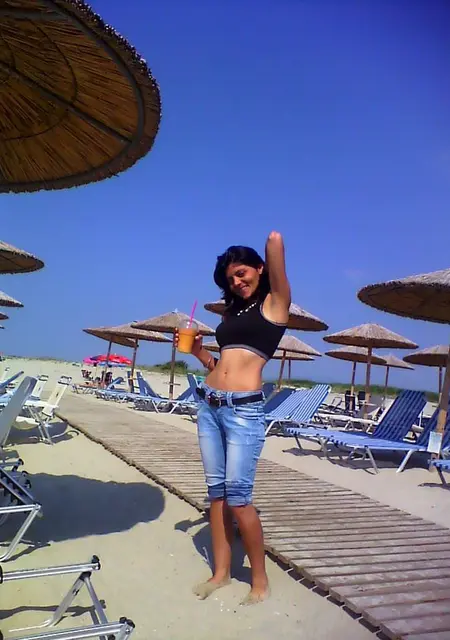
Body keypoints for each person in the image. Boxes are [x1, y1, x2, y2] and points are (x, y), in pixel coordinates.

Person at [178, 231, 290, 605]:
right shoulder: (231, 313)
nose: (237, 282)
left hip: (243, 411)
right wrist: (198, 352)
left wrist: (269, 242)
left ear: (259, 269)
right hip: (209, 405)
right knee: (217, 495)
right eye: (230, 278)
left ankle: (259, 581)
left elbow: (275, 246)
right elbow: (220, 365)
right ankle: (221, 574)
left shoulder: (275, 304)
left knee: (239, 499)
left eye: (242, 273)